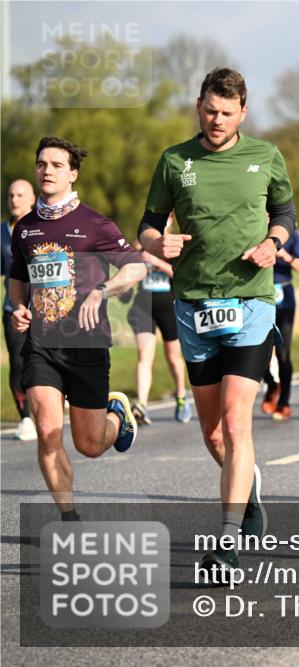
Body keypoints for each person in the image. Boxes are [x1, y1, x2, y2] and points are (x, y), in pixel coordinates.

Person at [139, 68, 296, 575]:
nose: (217, 119)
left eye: (227, 112)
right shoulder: (175, 161)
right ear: (198, 106)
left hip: (251, 301)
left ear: (243, 113)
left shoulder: (266, 156)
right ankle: (247, 493)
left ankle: (226, 544)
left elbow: (286, 215)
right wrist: (155, 243)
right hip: (194, 306)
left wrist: (273, 243)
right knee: (213, 436)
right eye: (210, 109)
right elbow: (147, 225)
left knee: (235, 420)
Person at [9, 137, 145, 517]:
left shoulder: (94, 224)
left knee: (89, 444)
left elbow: (135, 267)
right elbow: (17, 276)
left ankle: (117, 415)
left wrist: (103, 289)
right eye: (41, 164)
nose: (46, 170)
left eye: (56, 165)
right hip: (41, 345)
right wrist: (19, 306)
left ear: (72, 173)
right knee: (49, 430)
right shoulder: (26, 228)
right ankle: (69, 516)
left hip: (86, 345)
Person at [123, 234, 191, 424]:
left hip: (170, 306)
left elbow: (182, 275)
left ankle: (180, 396)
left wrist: (156, 262)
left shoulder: (175, 244)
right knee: (144, 355)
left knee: (173, 357)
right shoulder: (140, 245)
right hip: (144, 306)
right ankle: (142, 405)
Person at [2, 179, 38, 440]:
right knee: (18, 361)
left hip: (46, 310)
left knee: (44, 361)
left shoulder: (44, 226)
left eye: (20, 195)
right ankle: (25, 417)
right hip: (13, 309)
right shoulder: (2, 232)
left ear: (32, 198)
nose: (14, 199)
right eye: (11, 195)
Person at [260, 228, 299, 420]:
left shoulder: (292, 233)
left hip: (284, 298)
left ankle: (284, 401)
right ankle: (271, 384)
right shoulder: (252, 225)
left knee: (283, 353)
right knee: (258, 351)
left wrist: (285, 256)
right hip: (259, 297)